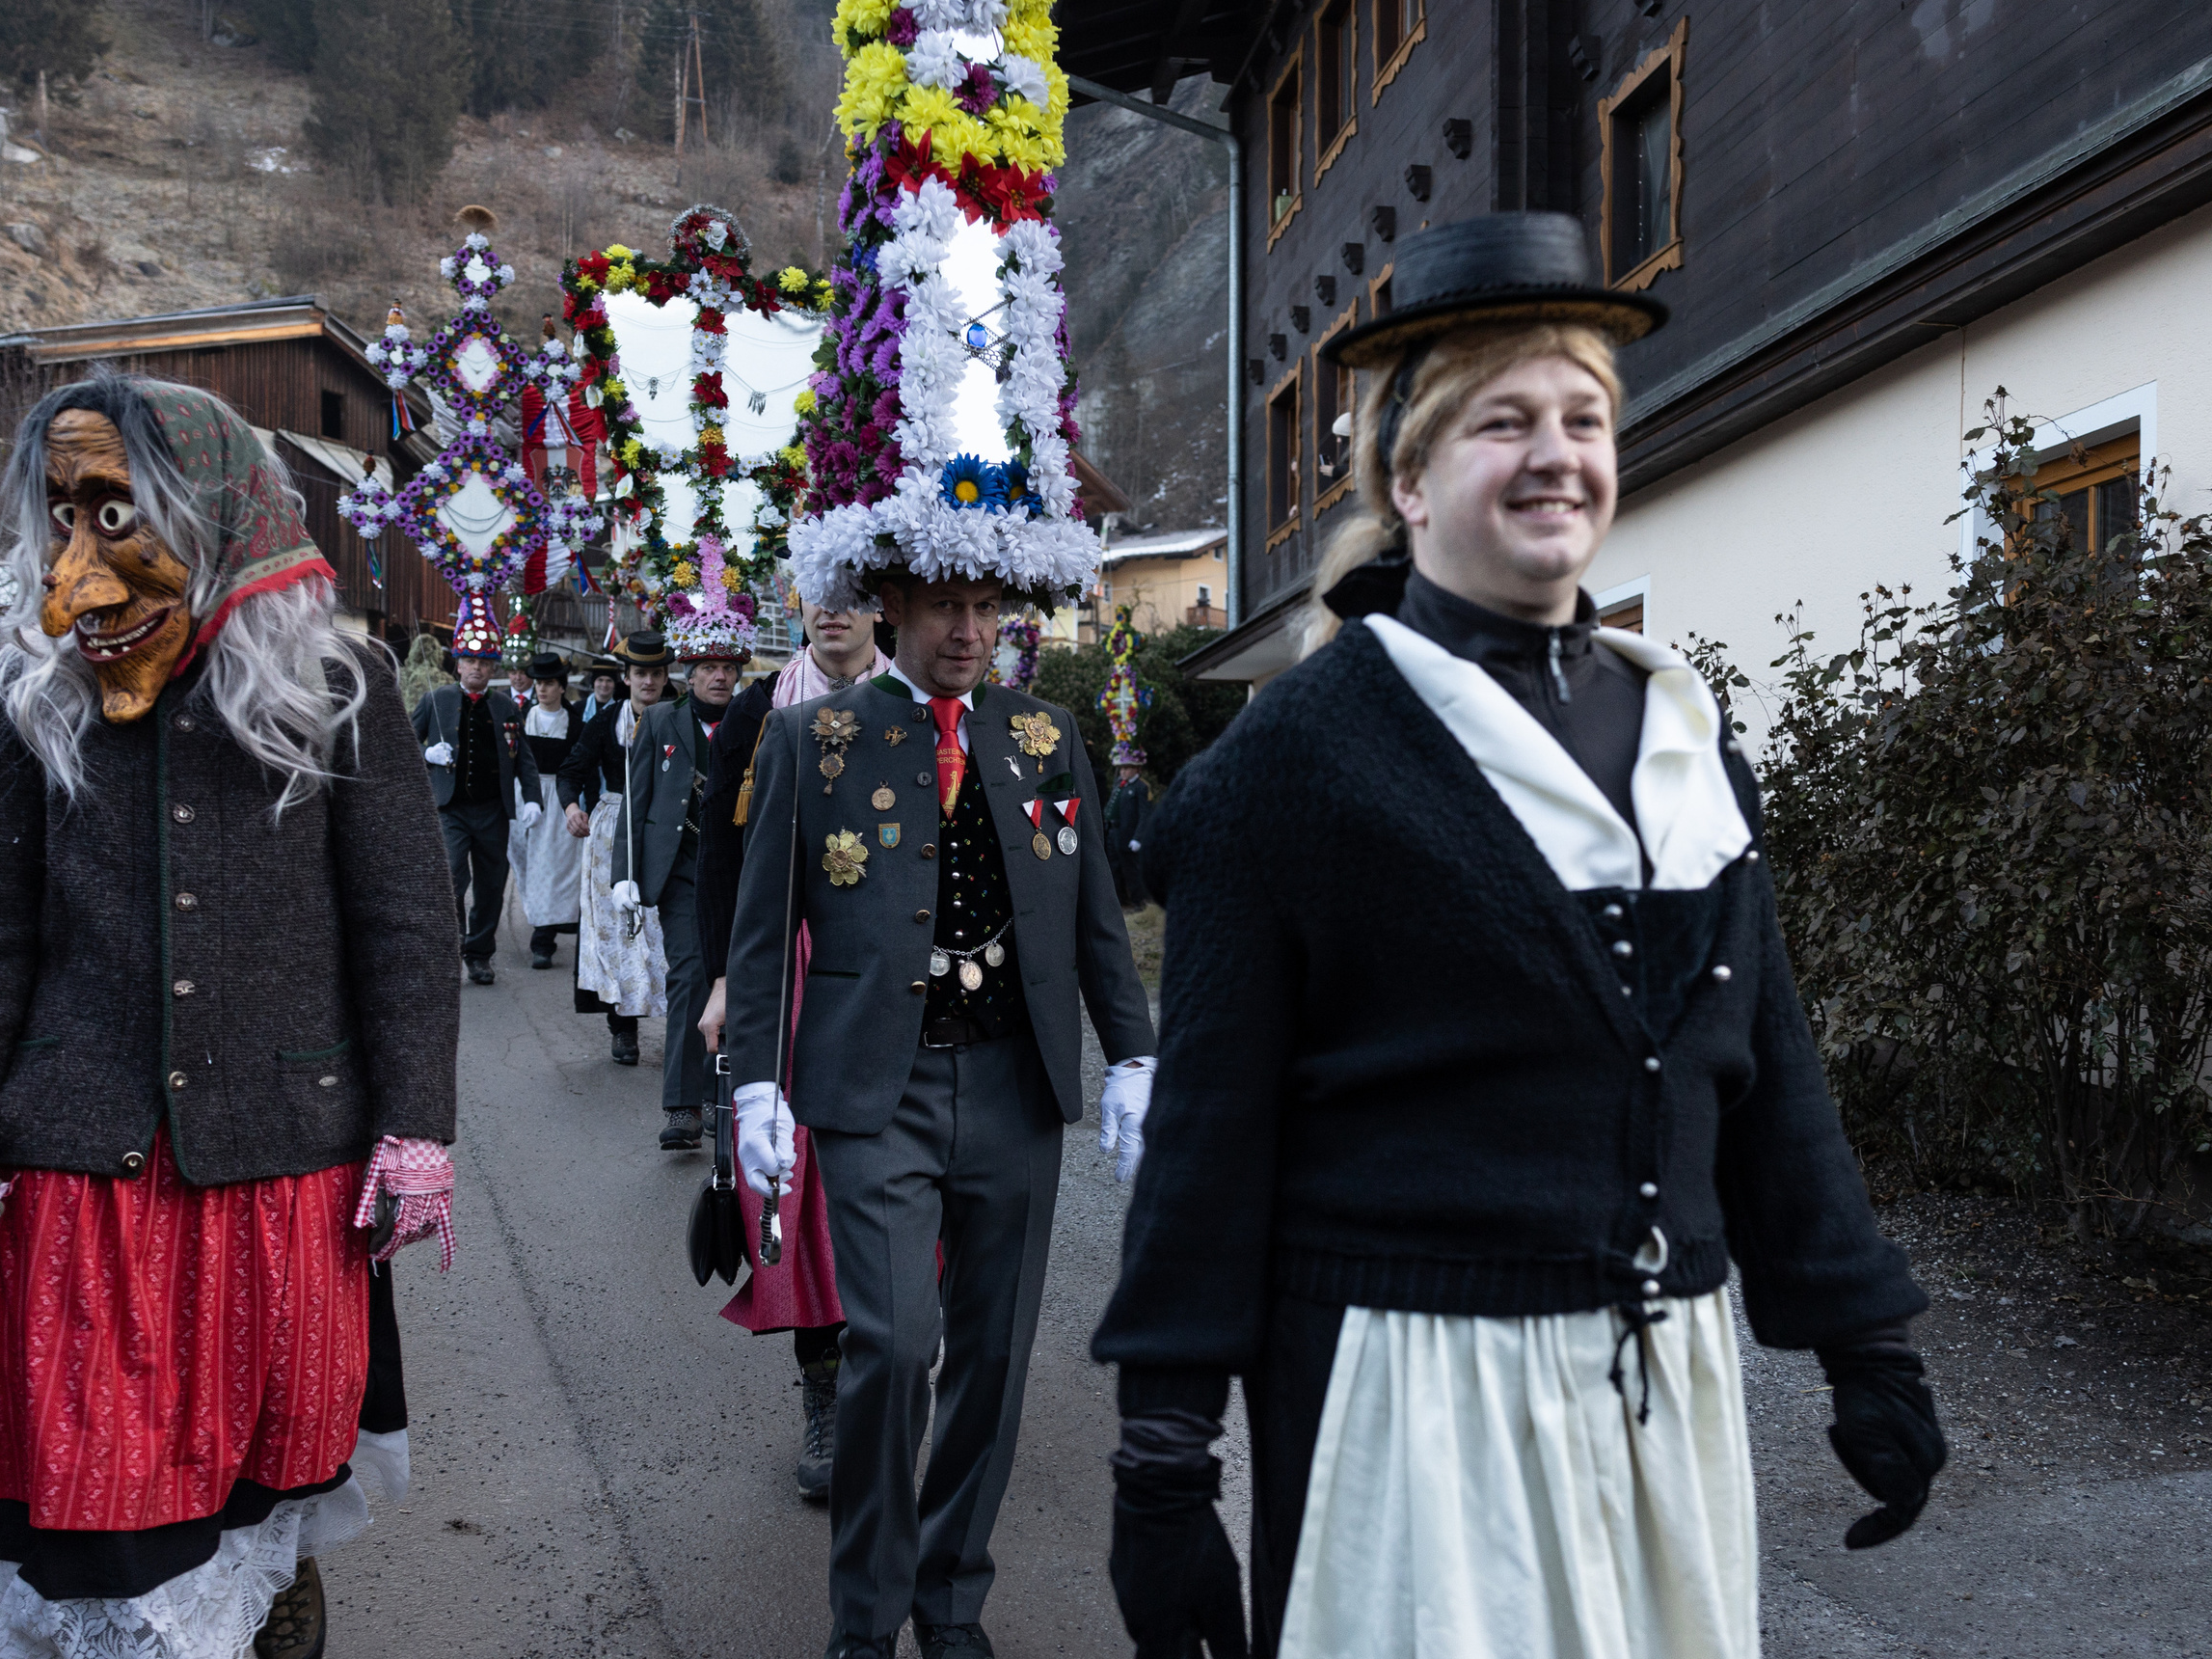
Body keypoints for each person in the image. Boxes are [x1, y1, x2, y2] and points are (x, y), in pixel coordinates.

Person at [1092, 213, 1947, 1659]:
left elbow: (1765, 1068)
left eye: (1584, 416)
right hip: (1420, 1402)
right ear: (1409, 477)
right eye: (1506, 421)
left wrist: (1867, 1345)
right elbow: (1210, 1138)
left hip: (1663, 1383)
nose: (1559, 452)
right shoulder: (1301, 761)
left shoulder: (1680, 733)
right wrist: (1164, 1462)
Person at [0, 370, 459, 1659]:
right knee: (99, 1529)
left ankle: (274, 1614)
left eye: (114, 513)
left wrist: (415, 1124)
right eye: (58, 516)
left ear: (210, 511)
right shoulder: (28, 697)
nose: (72, 563)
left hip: (284, 1180)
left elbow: (406, 933)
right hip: (79, 1192)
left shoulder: (341, 685)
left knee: (263, 1507)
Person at [725, 571, 1157, 1659]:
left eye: (984, 612)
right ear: (889, 612)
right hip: (879, 1089)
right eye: (939, 610)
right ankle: (865, 1616)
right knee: (891, 1339)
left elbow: (1093, 908)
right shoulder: (810, 736)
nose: (967, 632)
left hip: (1015, 1081)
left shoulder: (1045, 732)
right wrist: (752, 1080)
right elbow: (765, 923)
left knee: (996, 1354)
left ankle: (950, 1595)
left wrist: (1134, 1053)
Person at [694, 600, 891, 1503]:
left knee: (906, 1183)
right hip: (797, 974)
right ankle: (825, 1395)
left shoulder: (922, 697)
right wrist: (729, 982)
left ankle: (892, 1370)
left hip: (904, 980)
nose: (837, 609)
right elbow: (727, 862)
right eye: (822, 589)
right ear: (799, 602)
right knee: (798, 1192)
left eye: (855, 590)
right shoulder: (759, 712)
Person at [617, 595, 750, 1152]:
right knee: (690, 978)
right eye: (708, 669)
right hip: (681, 872)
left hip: (743, 871)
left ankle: (732, 1100)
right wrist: (626, 872)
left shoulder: (758, 722)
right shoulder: (660, 721)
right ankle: (682, 1107)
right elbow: (636, 797)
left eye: (728, 669)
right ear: (690, 674)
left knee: (745, 985)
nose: (719, 677)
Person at [412, 603, 544, 986]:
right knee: (450, 878)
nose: (476, 668)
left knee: (490, 885)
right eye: (469, 660)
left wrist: (532, 797)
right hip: (449, 808)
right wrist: (426, 754)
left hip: (492, 811)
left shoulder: (505, 706)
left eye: (484, 662)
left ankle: (480, 953)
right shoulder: (435, 700)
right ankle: (449, 943)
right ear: (457, 664)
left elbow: (526, 760)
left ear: (494, 668)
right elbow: (401, 744)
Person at [563, 635, 672, 1063]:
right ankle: (622, 1028)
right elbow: (573, 771)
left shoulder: (679, 716)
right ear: (626, 678)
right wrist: (572, 807)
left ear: (666, 677)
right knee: (616, 931)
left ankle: (681, 1023)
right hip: (611, 831)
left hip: (667, 828)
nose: (648, 681)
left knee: (665, 926)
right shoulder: (607, 721)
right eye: (640, 673)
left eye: (656, 673)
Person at [515, 654, 586, 970]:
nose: (542, 689)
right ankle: (543, 920)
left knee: (555, 864)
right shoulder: (520, 718)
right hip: (525, 794)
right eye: (539, 683)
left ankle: (543, 939)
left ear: (561, 687)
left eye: (549, 683)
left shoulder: (575, 724)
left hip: (560, 797)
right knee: (525, 862)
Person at [1104, 749, 1152, 911]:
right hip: (1114, 832)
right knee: (1115, 869)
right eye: (1122, 768)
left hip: (1129, 834)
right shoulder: (1119, 783)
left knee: (1131, 870)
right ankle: (1120, 901)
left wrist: (1138, 837)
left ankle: (1139, 903)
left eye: (1127, 768)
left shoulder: (1141, 787)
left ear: (1136, 769)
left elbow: (1145, 814)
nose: (1123, 771)